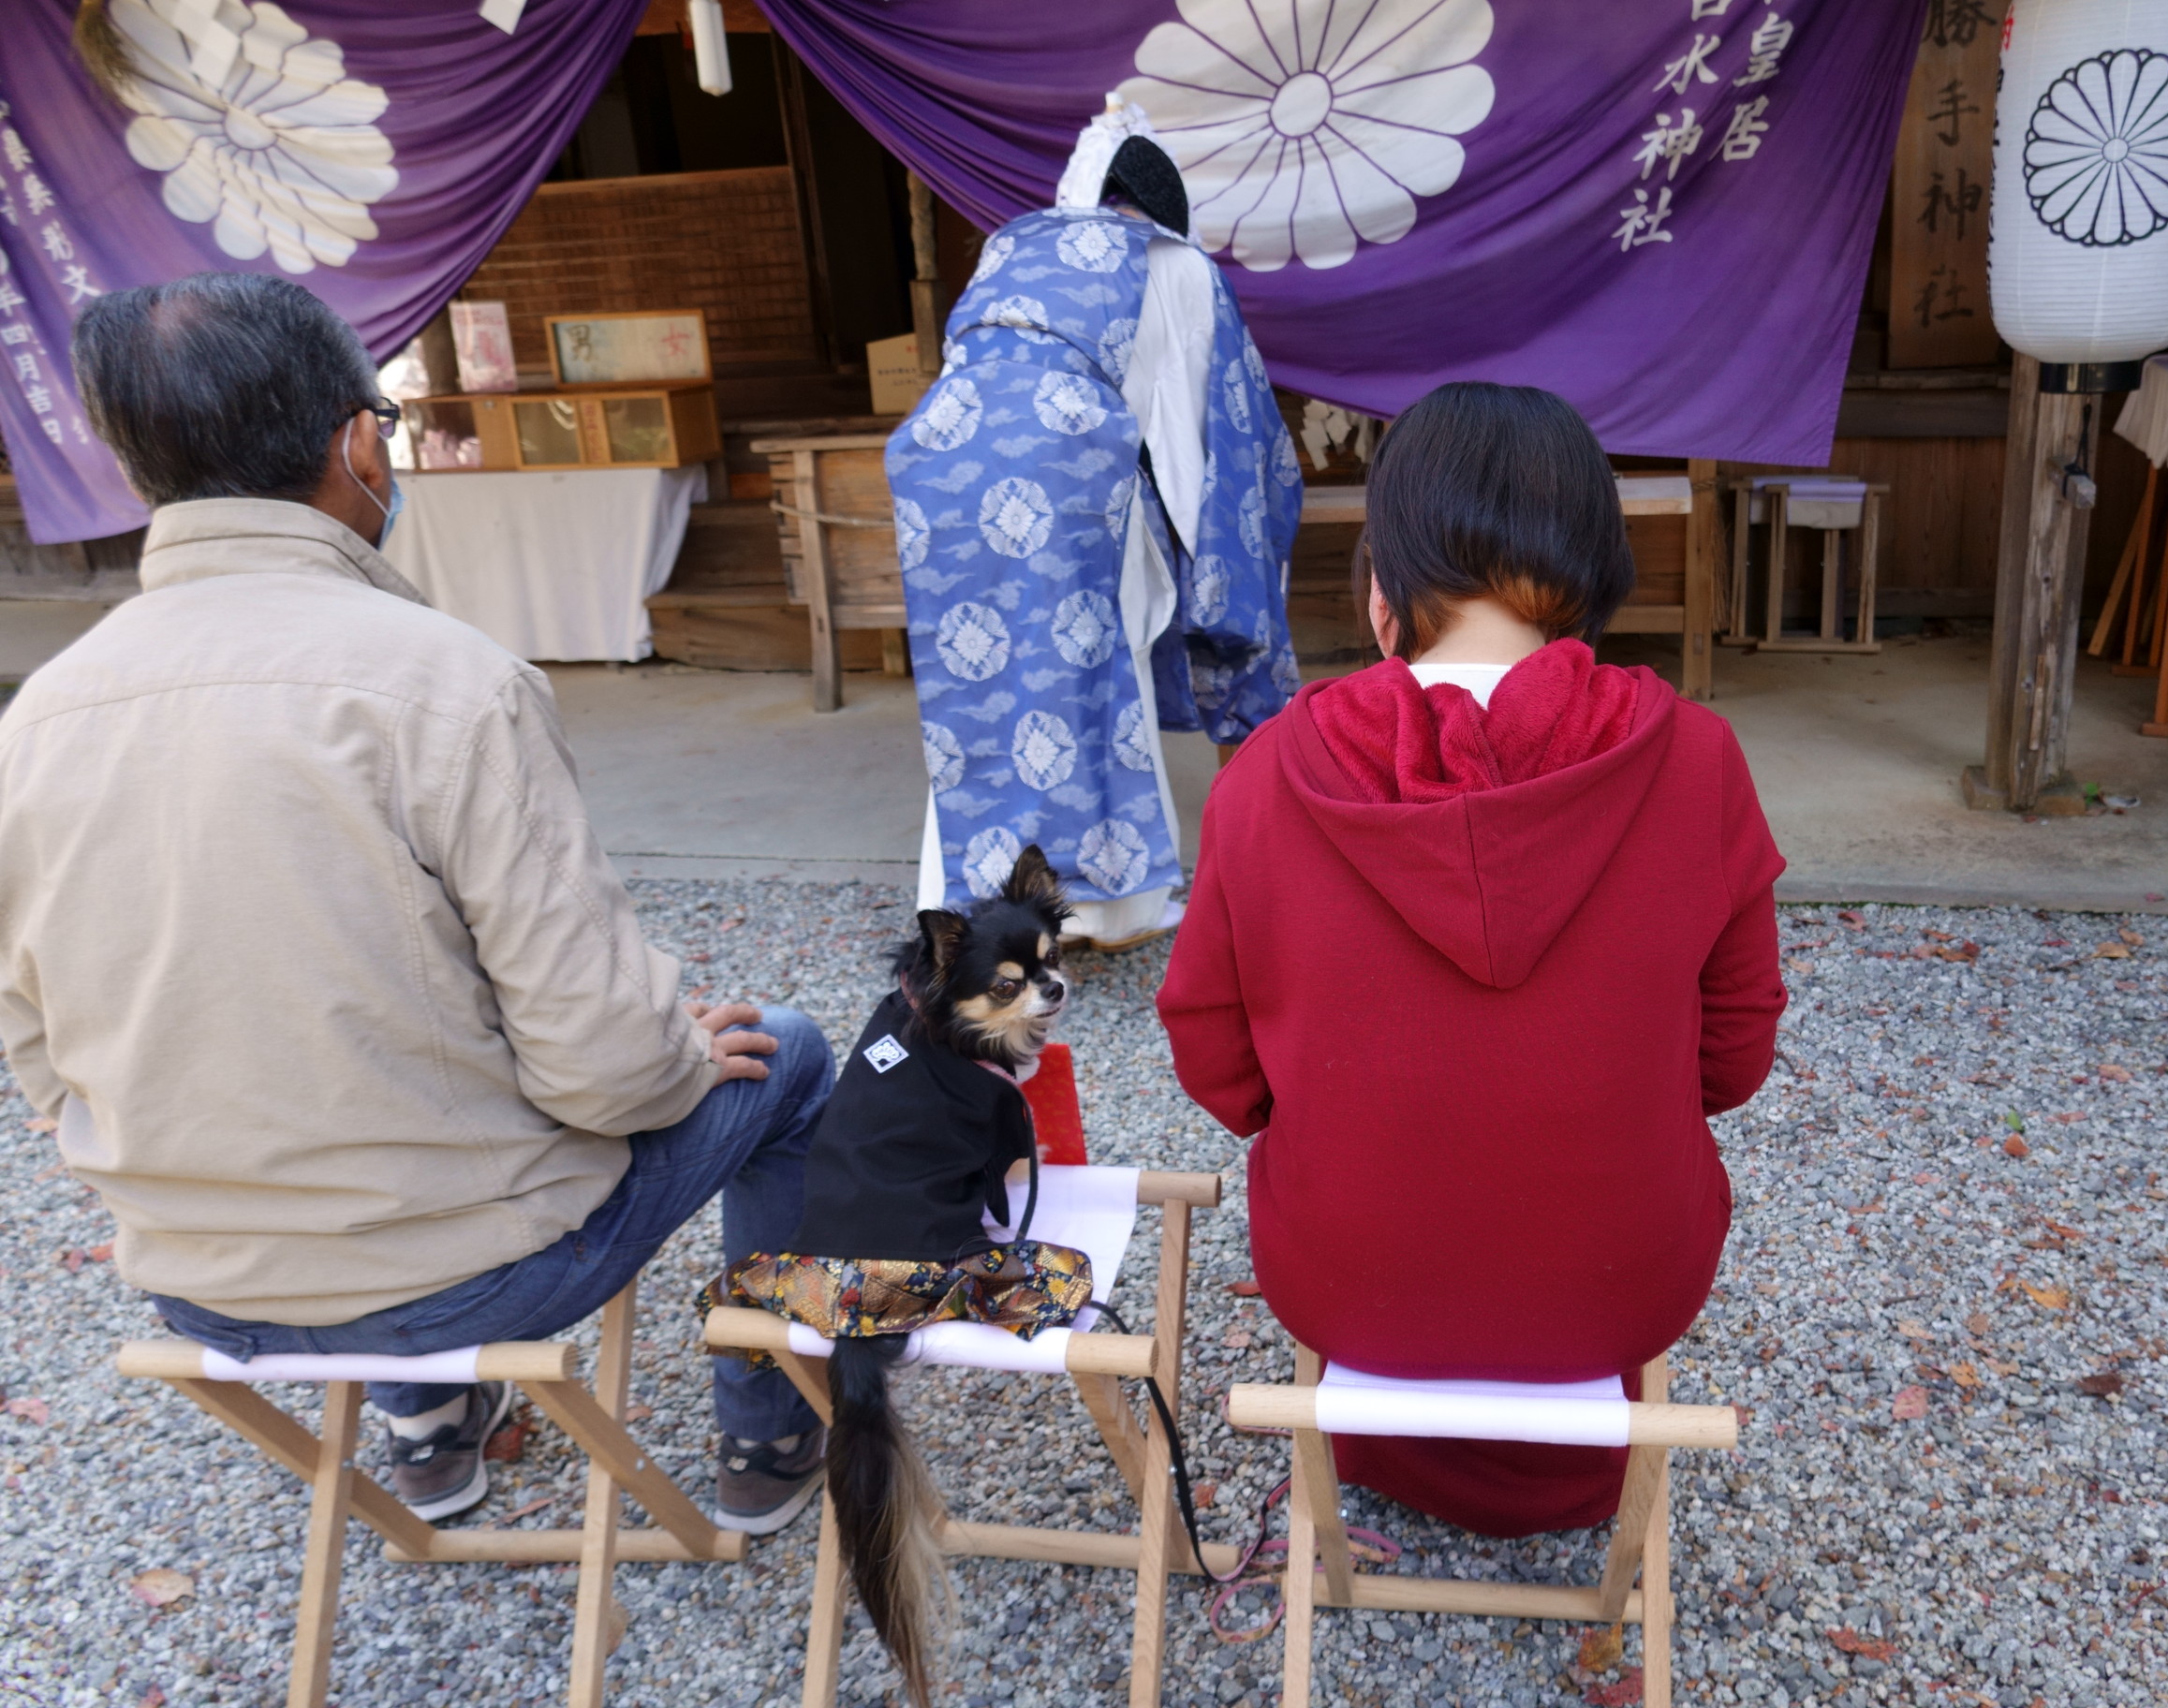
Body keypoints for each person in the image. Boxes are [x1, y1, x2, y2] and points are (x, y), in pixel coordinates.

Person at [0, 272, 834, 1532]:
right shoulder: (446, 685)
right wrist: (675, 1050)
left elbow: (42, 1062)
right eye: (382, 430)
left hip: (197, 1281)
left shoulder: (39, 716)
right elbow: (606, 1071)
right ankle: (767, 1443)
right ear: (352, 442)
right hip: (469, 1276)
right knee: (791, 1050)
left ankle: (430, 1435)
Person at [1158, 382, 1787, 1537]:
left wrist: (1343, 1123)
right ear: (1592, 570)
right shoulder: (1697, 761)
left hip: (1349, 1279)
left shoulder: (1264, 780)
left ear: (1385, 590)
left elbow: (1213, 1051)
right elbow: (1736, 1056)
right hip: (1623, 1280)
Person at [892, 98, 1300, 951]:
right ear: (1162, 211)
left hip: (941, 472)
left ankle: (968, 902)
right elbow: (1204, 428)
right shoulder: (1173, 263)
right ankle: (1107, 909)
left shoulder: (1008, 249)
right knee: (1098, 675)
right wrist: (1209, 561)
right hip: (1069, 477)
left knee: (978, 684)